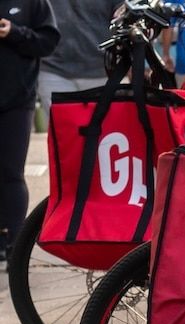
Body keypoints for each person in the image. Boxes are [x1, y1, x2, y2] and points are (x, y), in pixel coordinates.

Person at [0, 0, 58, 263]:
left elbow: (47, 43)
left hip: (16, 101)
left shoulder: (32, 2)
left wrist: (14, 32)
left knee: (11, 173)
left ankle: (13, 244)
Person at [37, 0, 113, 112]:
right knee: (61, 127)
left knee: (105, 127)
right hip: (52, 69)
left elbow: (126, 12)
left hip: (102, 70)